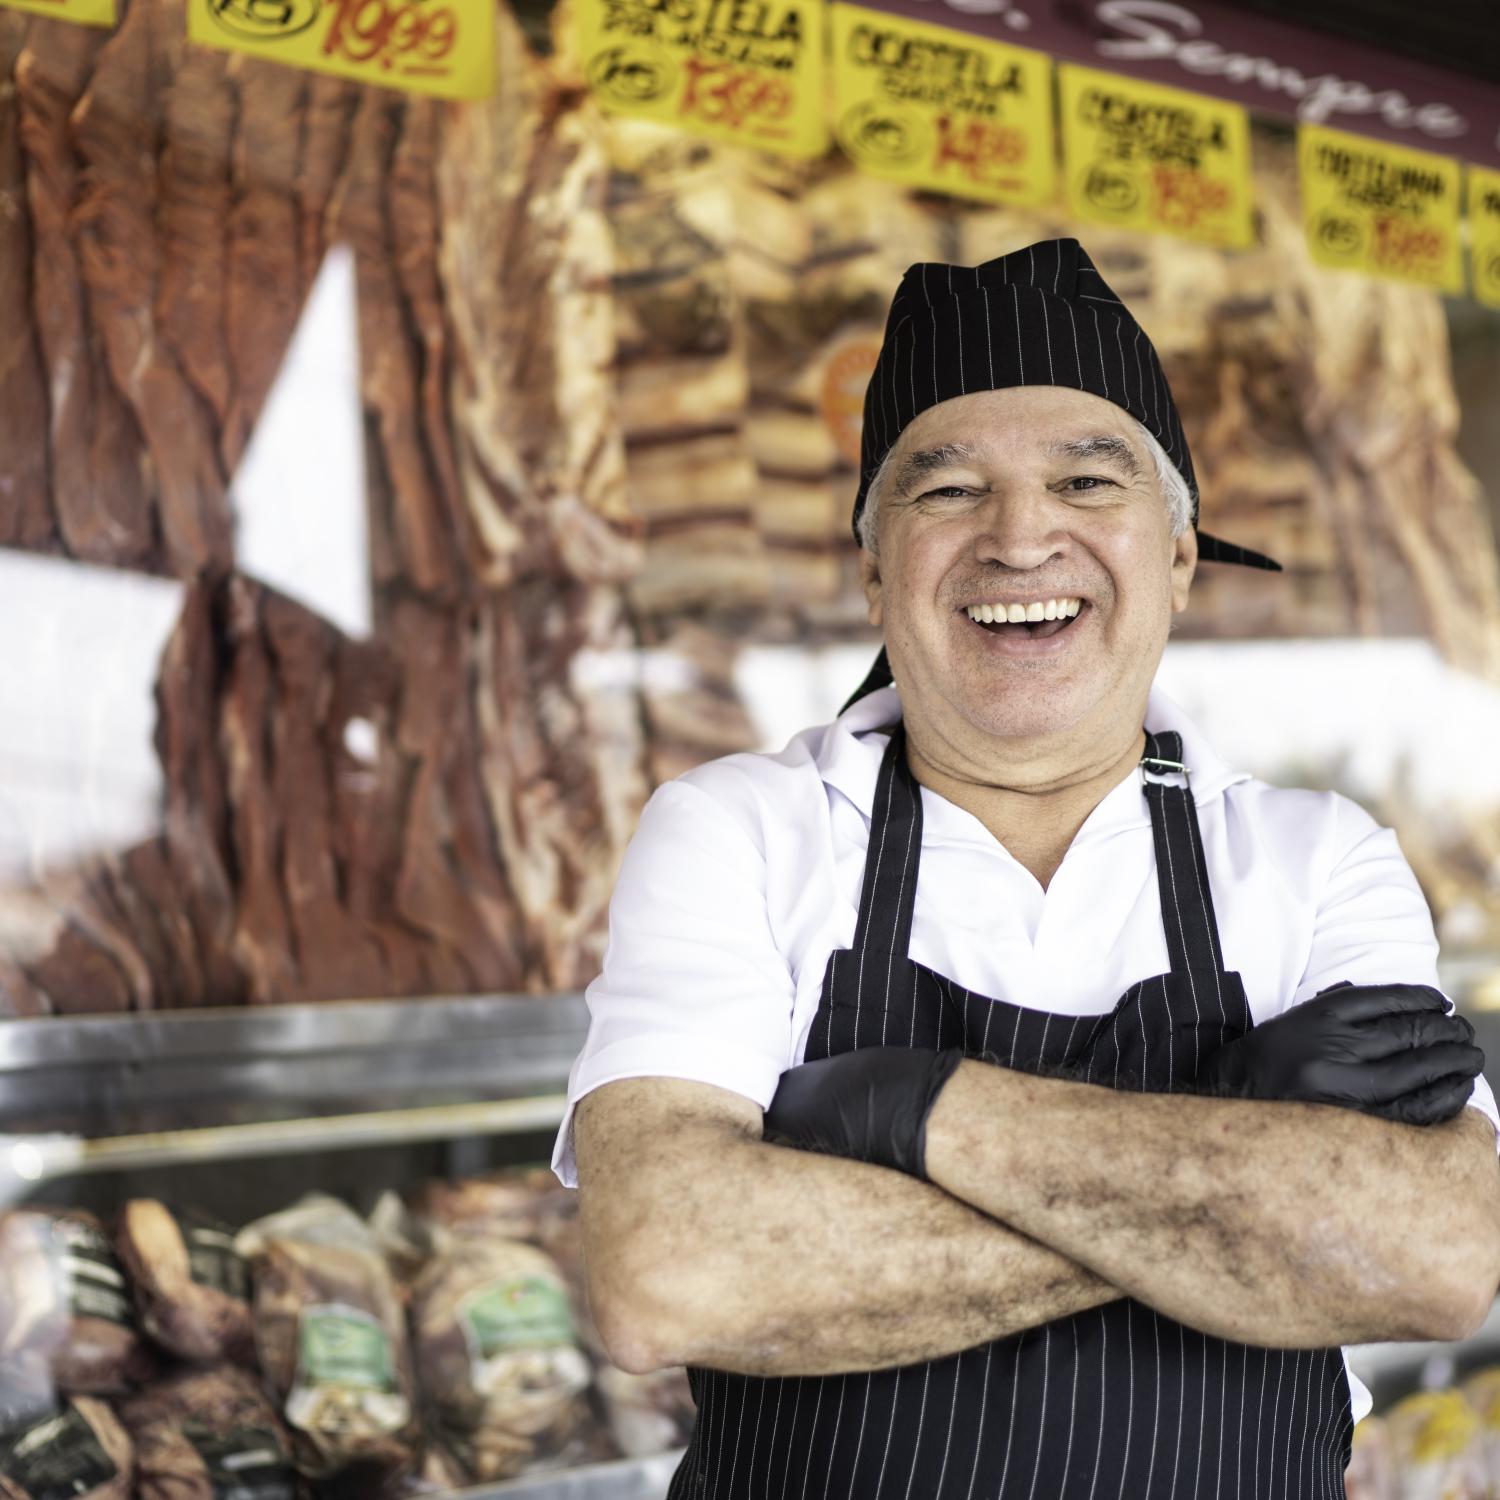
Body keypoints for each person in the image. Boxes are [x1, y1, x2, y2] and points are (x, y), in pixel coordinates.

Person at [551, 238, 1500, 1498]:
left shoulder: (1315, 856)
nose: (1019, 535)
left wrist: (922, 1112)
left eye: (1085, 480)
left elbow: (1435, 1255)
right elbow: (669, 1273)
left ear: (1176, 557)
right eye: (946, 492)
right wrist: (1239, 1151)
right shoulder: (742, 828)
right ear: (877, 573)